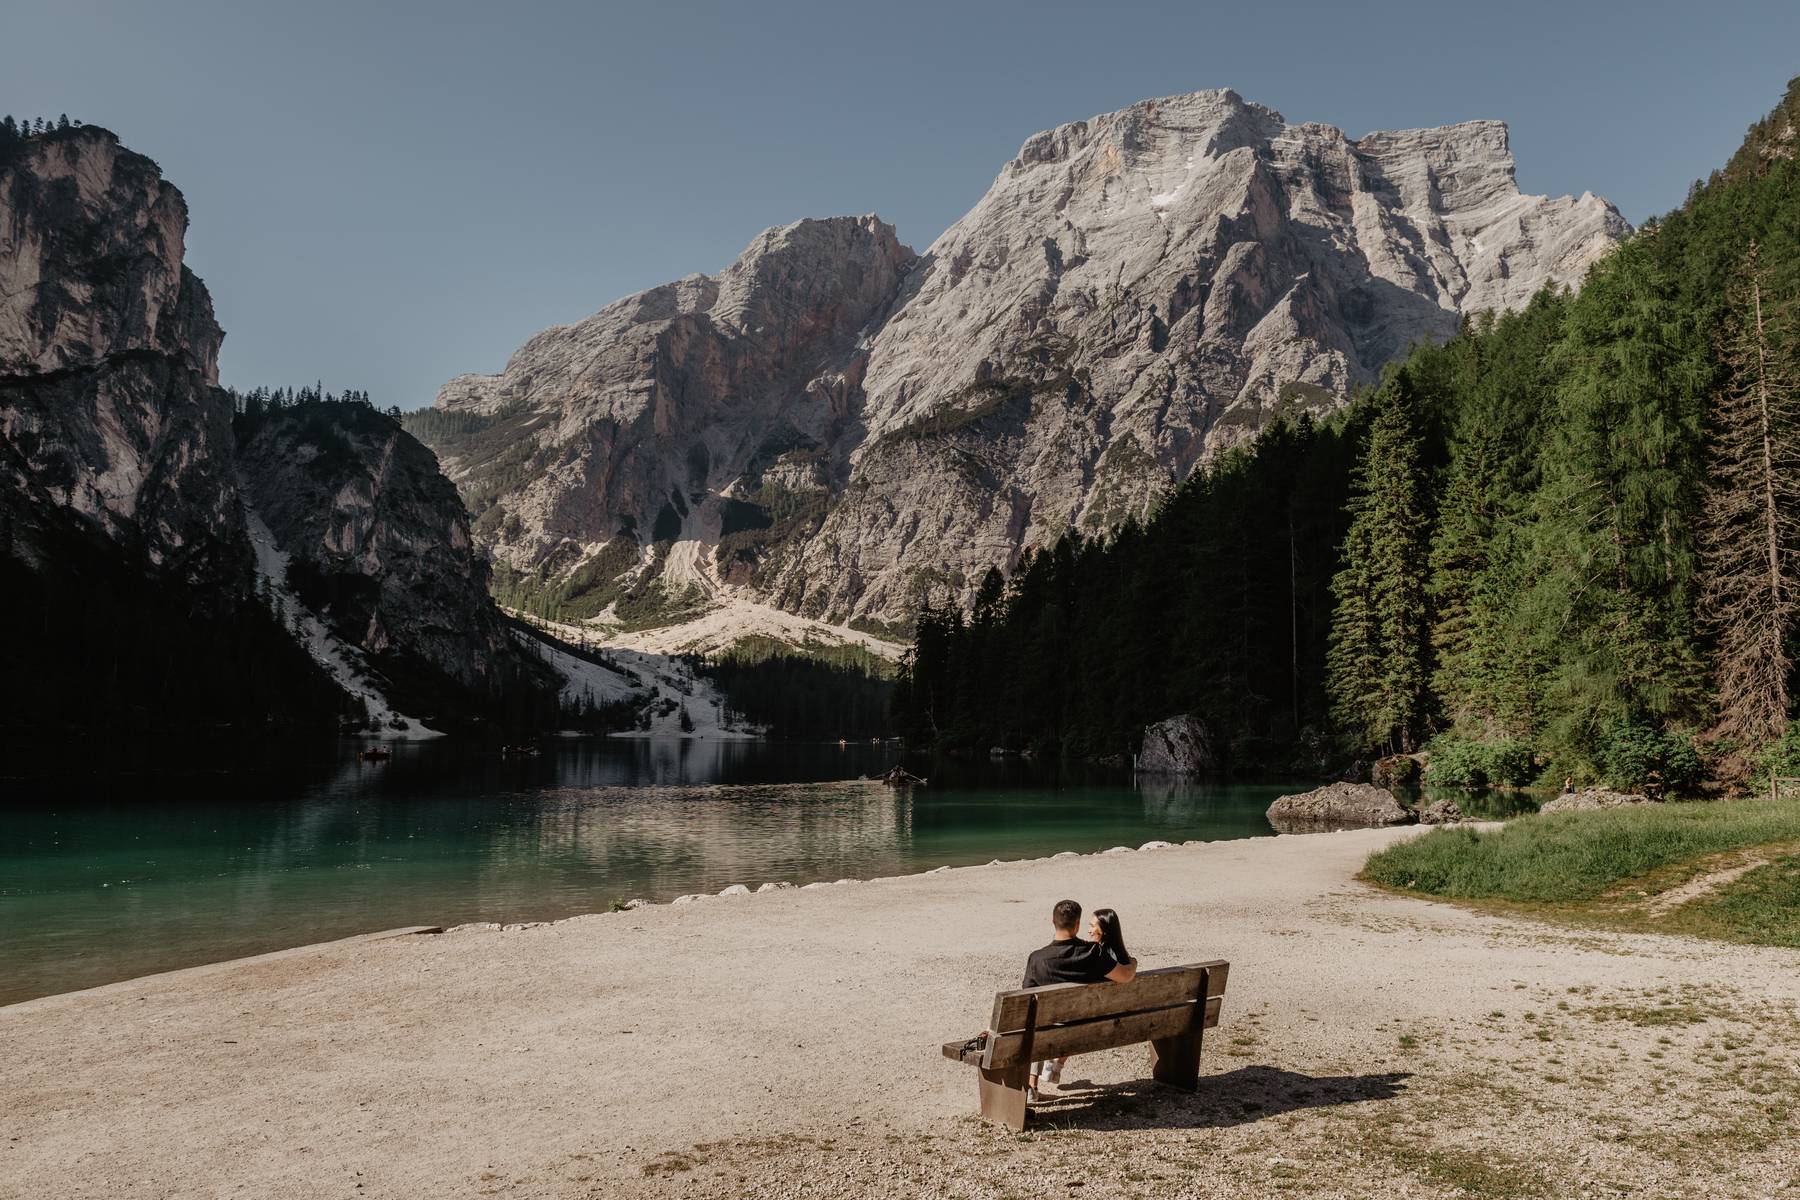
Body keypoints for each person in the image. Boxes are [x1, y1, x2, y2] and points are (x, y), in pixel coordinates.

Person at [1020, 900, 1135, 1100]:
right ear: (1077, 925)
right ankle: (1048, 1072)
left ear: (1052, 922)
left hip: (1046, 1029)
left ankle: (1031, 1085)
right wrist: (1133, 963)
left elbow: (1025, 1001)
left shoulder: (1036, 959)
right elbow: (1125, 976)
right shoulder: (1093, 953)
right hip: (1082, 1027)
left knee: (1033, 1022)